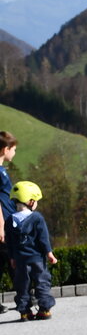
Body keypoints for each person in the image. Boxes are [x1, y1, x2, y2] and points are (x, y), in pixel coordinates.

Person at [8, 181, 57, 321]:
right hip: (37, 259)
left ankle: (25, 312)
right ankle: (44, 310)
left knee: (22, 285)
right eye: (36, 201)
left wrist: (12, 258)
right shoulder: (37, 218)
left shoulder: (9, 220)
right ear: (30, 202)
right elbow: (43, 238)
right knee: (42, 283)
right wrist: (49, 253)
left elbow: (10, 243)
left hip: (20, 260)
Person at [0, 131, 15, 314]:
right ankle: (26, 297)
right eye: (14, 149)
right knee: (13, 259)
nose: (15, 153)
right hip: (3, 224)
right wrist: (1, 226)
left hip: (7, 221)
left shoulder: (2, 170)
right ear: (5, 149)